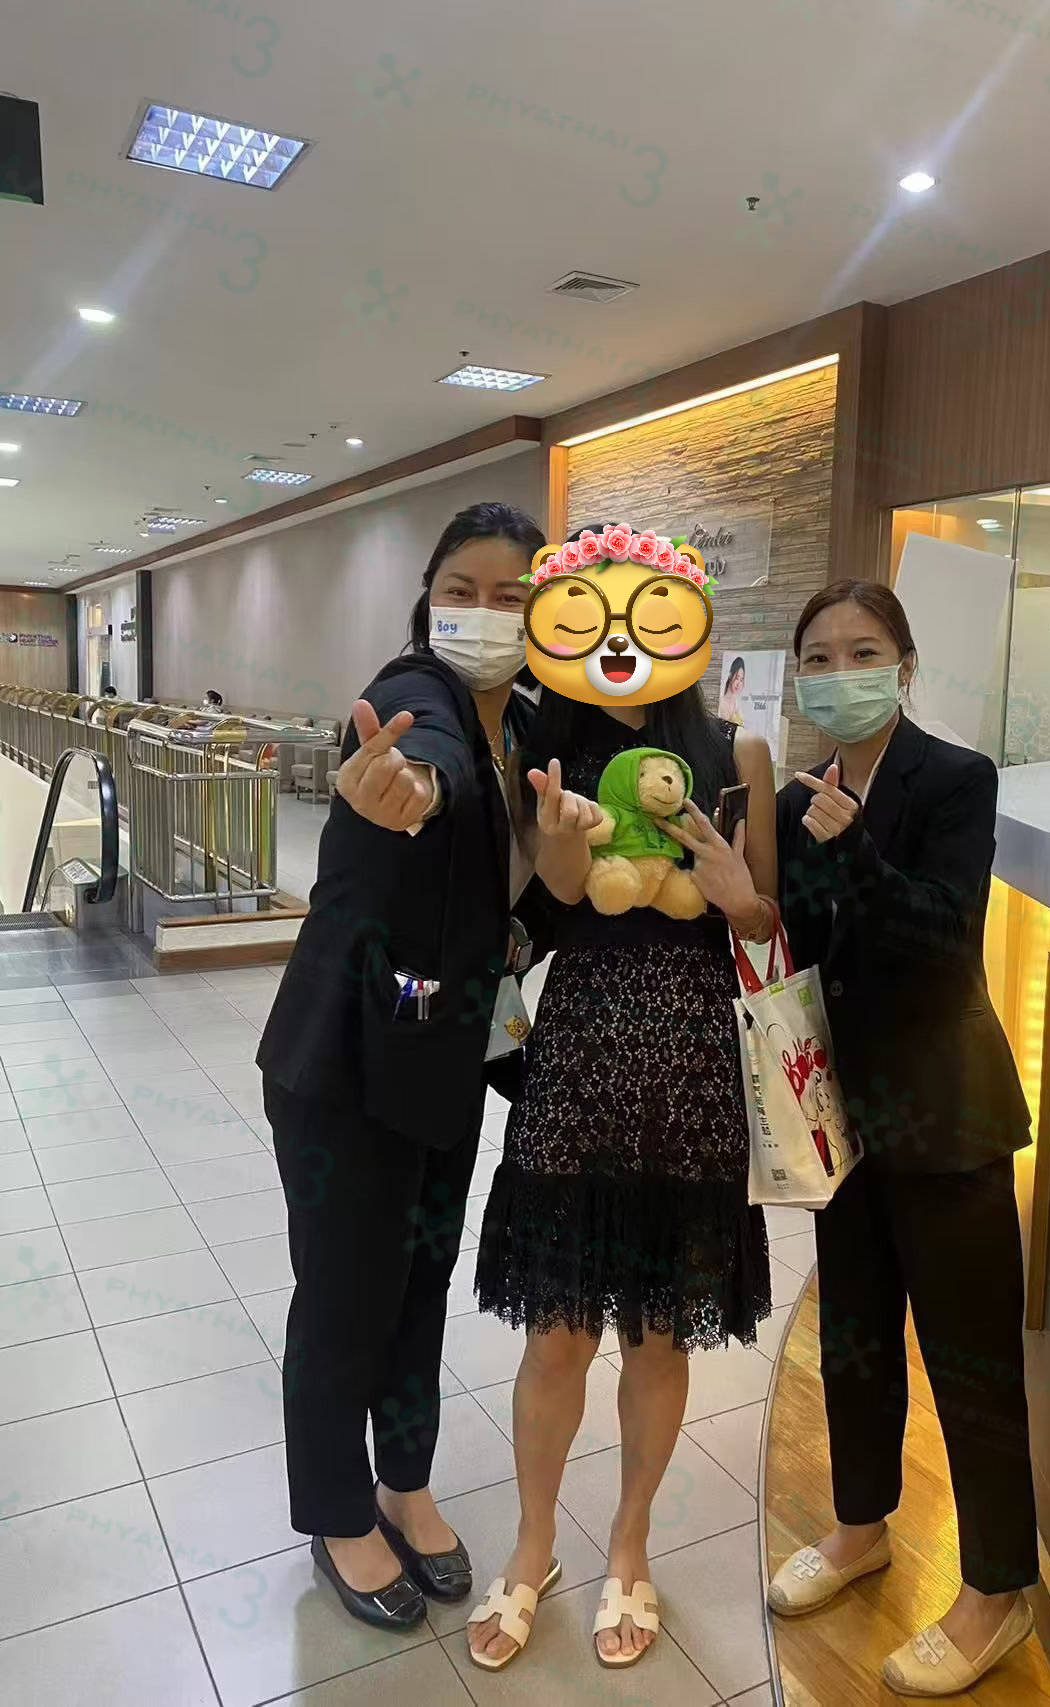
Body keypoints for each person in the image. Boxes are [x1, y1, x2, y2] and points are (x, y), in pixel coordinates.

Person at [464, 523, 778, 1673]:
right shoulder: (546, 747)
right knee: (556, 1332)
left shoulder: (736, 752)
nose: (621, 642)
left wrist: (737, 890)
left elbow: (764, 924)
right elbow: (549, 907)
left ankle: (631, 1547)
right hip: (580, 1054)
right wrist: (556, 848)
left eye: (646, 616)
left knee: (656, 1331)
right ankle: (533, 1545)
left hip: (691, 1065)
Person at [256, 502, 546, 1632]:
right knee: (346, 1294)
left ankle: (405, 1483)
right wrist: (411, 786)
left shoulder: (528, 727)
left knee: (418, 1284)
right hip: (343, 1061)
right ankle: (338, 1512)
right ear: (428, 599)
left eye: (512, 594)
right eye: (461, 589)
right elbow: (424, 757)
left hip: (441, 1055)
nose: (484, 612)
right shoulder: (417, 696)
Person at [768, 580, 1038, 1698]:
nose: (840, 674)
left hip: (945, 1114)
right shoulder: (799, 796)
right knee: (856, 1337)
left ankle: (997, 1592)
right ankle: (859, 1525)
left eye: (862, 651)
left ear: (905, 665)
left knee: (970, 1359)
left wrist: (859, 855)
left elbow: (944, 936)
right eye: (819, 657)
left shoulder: (956, 779)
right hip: (843, 1115)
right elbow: (803, 945)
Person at [718, 655, 747, 724]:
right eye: (737, 678)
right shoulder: (722, 703)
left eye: (741, 680)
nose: (739, 683)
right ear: (730, 675)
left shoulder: (736, 704)